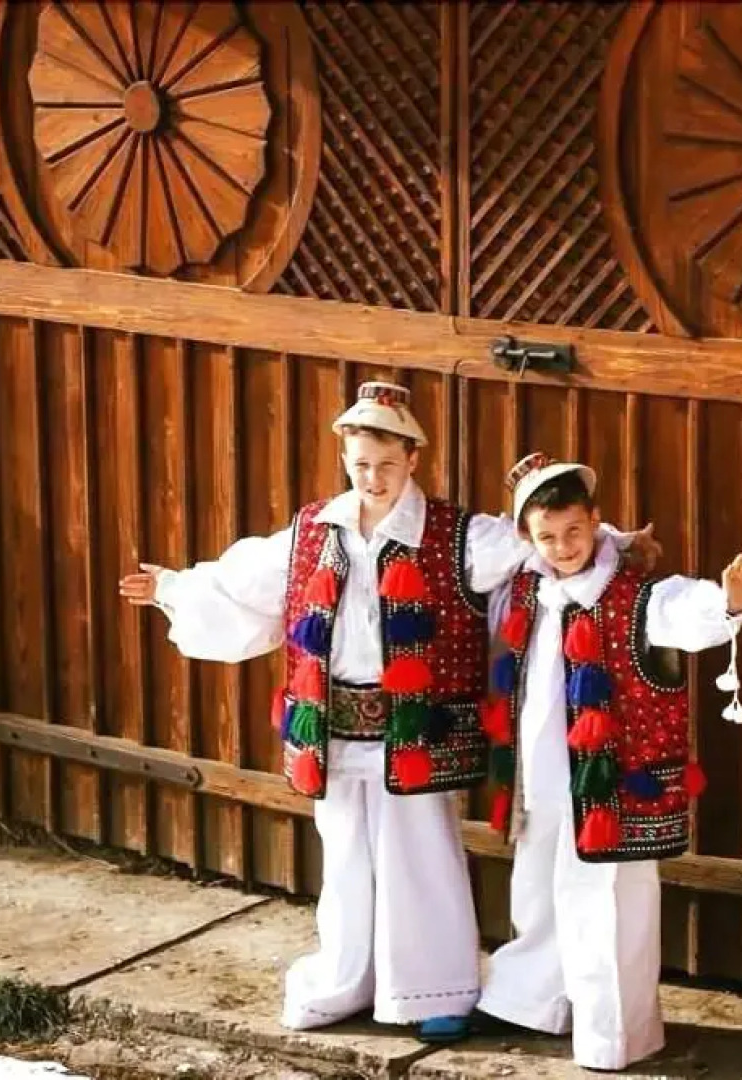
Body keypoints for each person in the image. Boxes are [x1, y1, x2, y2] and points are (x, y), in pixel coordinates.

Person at [118, 385, 657, 1043]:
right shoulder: (314, 529)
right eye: (360, 464)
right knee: (344, 858)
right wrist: (172, 587)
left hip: (415, 731)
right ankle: (345, 979)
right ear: (345, 458)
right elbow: (244, 583)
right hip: (333, 724)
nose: (373, 478)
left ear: (412, 458)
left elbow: (538, 544)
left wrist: (617, 547)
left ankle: (435, 989)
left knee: (420, 859)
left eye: (386, 464)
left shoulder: (457, 534)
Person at [473, 451, 742, 1071]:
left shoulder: (635, 596)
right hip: (542, 774)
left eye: (574, 531)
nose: (562, 546)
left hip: (610, 781)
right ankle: (534, 1002)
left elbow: (687, 615)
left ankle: (614, 1035)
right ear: (529, 537)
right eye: (547, 536)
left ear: (595, 522)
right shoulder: (528, 586)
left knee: (608, 901)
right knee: (538, 885)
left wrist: (727, 604)